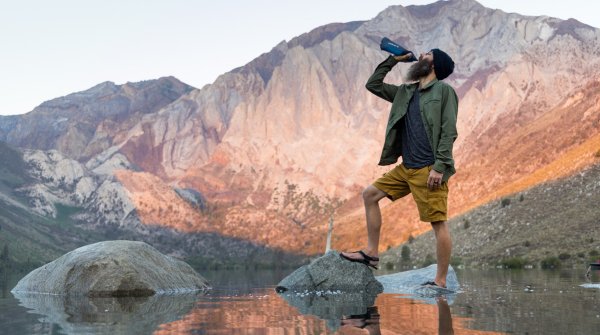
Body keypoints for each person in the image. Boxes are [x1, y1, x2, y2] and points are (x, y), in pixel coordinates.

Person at [340, 48, 458, 288]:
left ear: (434, 65)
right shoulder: (405, 92)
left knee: (438, 223)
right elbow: (373, 84)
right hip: (406, 168)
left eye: (428, 54)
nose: (421, 55)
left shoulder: (444, 92)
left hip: (429, 169)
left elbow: (449, 131)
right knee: (370, 195)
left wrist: (439, 167)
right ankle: (371, 252)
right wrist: (393, 59)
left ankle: (441, 281)